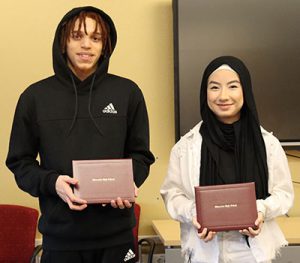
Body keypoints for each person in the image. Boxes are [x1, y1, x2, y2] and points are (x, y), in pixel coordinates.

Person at [6, 6, 155, 263]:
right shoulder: (34, 98)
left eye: (96, 38)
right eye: (77, 36)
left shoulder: (128, 93)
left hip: (117, 238)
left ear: (105, 45)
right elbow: (20, 164)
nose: (87, 45)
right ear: (63, 42)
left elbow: (141, 156)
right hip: (60, 241)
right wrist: (53, 183)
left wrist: (130, 182)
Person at [160, 56, 294, 263]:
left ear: (245, 91)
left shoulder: (268, 144)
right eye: (214, 88)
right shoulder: (185, 146)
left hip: (251, 251)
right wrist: (194, 213)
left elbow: (283, 194)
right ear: (205, 93)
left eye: (232, 86)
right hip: (205, 249)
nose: (223, 96)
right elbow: (172, 194)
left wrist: (260, 210)